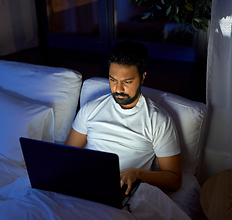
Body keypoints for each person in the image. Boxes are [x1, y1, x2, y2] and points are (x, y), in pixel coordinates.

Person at [65, 41, 182, 195]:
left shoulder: (158, 120)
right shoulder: (90, 109)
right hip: (87, 183)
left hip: (125, 192)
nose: (118, 89)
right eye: (113, 80)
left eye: (127, 82)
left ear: (142, 78)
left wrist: (137, 174)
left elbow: (174, 180)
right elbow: (67, 155)